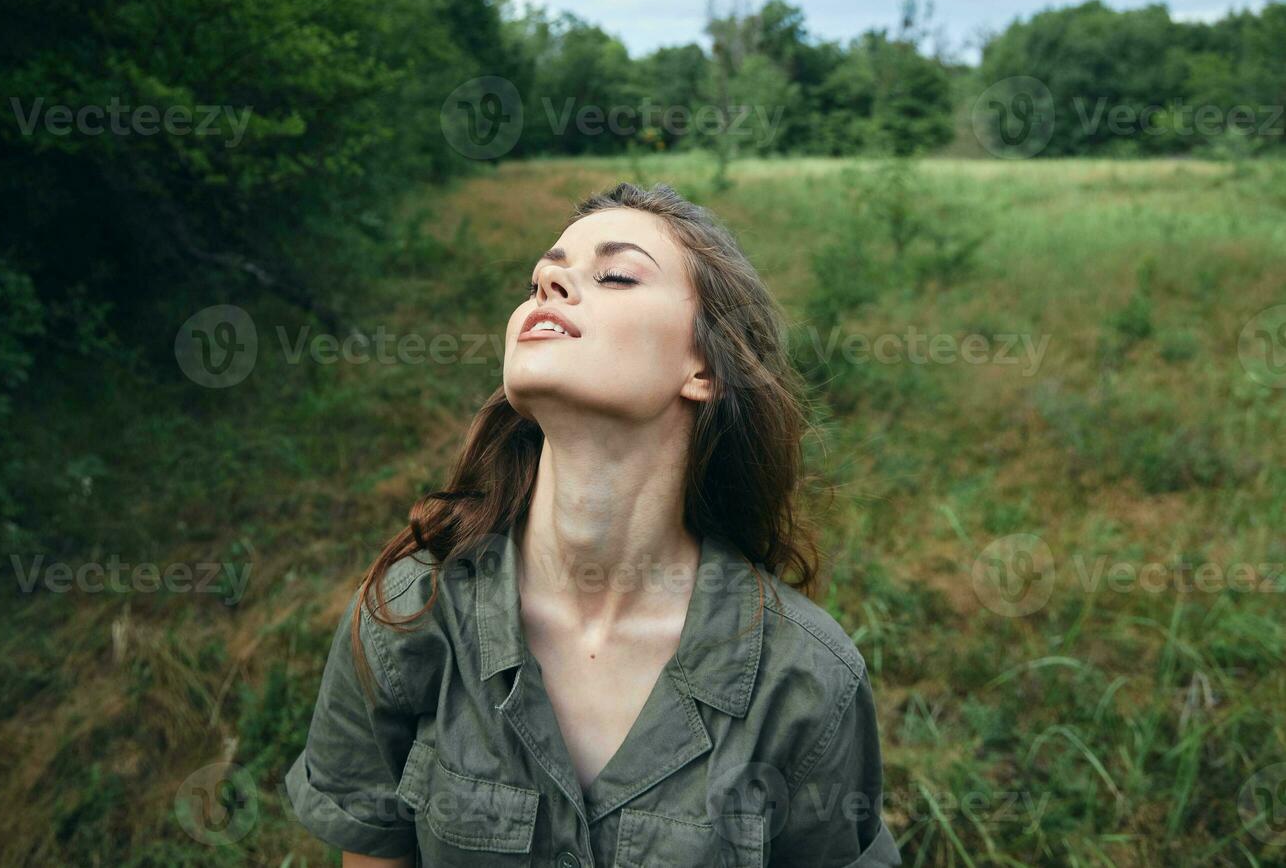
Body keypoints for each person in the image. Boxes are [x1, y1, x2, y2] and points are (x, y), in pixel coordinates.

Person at [286, 182, 901, 867]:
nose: (548, 280)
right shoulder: (410, 614)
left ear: (704, 366)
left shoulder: (806, 679)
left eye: (615, 274)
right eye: (541, 275)